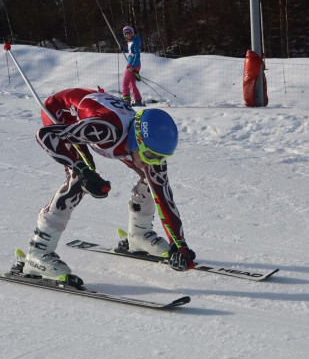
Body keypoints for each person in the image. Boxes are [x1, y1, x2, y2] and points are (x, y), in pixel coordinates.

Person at [18, 87, 196, 284]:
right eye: (150, 156)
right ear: (137, 141)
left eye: (160, 158)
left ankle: (139, 234)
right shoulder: (107, 131)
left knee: (152, 179)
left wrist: (179, 245)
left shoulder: (149, 147)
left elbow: (163, 196)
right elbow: (45, 135)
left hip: (99, 112)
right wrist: (82, 170)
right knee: (80, 179)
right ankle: (38, 252)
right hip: (62, 112)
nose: (153, 162)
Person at [121, 25, 143, 107]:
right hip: (135, 64)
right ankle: (138, 101)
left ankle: (126, 100)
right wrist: (123, 49)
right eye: (125, 34)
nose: (127, 35)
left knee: (125, 81)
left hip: (132, 64)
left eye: (129, 33)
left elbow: (137, 54)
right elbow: (131, 51)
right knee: (132, 83)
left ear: (132, 33)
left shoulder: (134, 42)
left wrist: (132, 66)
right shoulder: (131, 41)